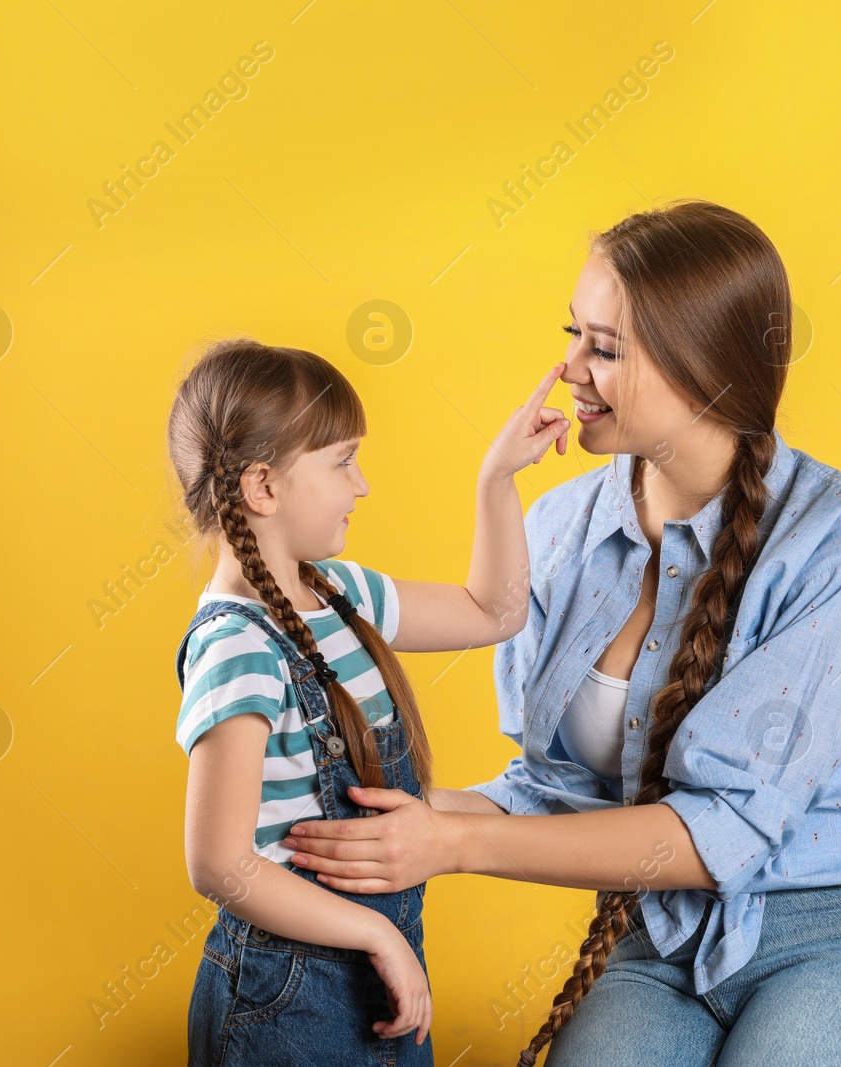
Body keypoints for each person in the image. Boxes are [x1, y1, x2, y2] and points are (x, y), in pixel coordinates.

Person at [284, 200, 841, 1066]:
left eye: (604, 348)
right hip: (670, 932)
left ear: (703, 371)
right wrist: (397, 821)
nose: (568, 367)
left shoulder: (838, 542)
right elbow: (554, 789)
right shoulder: (561, 529)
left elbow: (720, 828)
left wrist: (452, 843)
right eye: (573, 332)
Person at [166, 338, 569, 1065]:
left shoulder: (340, 593)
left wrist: (498, 480)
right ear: (265, 486)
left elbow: (493, 612)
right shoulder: (237, 646)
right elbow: (219, 864)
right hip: (287, 996)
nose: (363, 486)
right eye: (343, 461)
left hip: (381, 979)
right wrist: (376, 933)